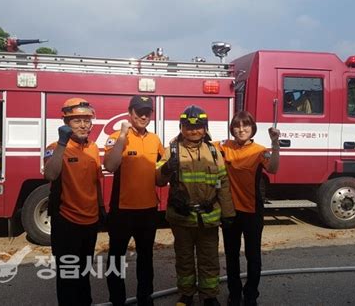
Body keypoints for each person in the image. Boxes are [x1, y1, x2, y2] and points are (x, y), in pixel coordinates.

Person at [156, 105, 236, 306]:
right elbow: (157, 180)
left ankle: (209, 296)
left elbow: (223, 183)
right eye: (189, 127)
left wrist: (228, 213)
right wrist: (166, 168)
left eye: (198, 127)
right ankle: (186, 294)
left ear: (205, 128)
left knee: (209, 259)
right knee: (184, 259)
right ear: (181, 128)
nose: (194, 131)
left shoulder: (213, 151)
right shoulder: (172, 150)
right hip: (181, 218)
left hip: (207, 218)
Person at [104, 95, 164, 306]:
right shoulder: (115, 136)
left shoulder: (155, 140)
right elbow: (110, 166)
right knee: (116, 258)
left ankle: (144, 297)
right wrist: (122, 136)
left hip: (148, 209)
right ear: (130, 113)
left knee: (145, 258)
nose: (143, 116)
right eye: (139, 111)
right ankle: (117, 300)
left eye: (147, 112)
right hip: (122, 210)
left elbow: (161, 176)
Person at [214, 111, 280, 306]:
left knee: (253, 256)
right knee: (231, 255)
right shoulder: (223, 147)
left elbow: (274, 168)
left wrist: (275, 143)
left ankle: (251, 295)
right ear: (232, 128)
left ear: (252, 129)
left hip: (252, 211)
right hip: (230, 212)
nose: (241, 129)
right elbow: (201, 142)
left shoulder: (260, 151)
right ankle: (234, 294)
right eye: (237, 126)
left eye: (246, 126)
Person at [44, 98, 102, 306]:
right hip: (67, 222)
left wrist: (102, 211)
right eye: (77, 120)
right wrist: (61, 143)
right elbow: (50, 175)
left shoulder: (94, 148)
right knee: (68, 277)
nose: (84, 125)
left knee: (84, 273)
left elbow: (96, 183)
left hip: (90, 222)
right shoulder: (55, 148)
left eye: (87, 120)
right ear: (65, 123)